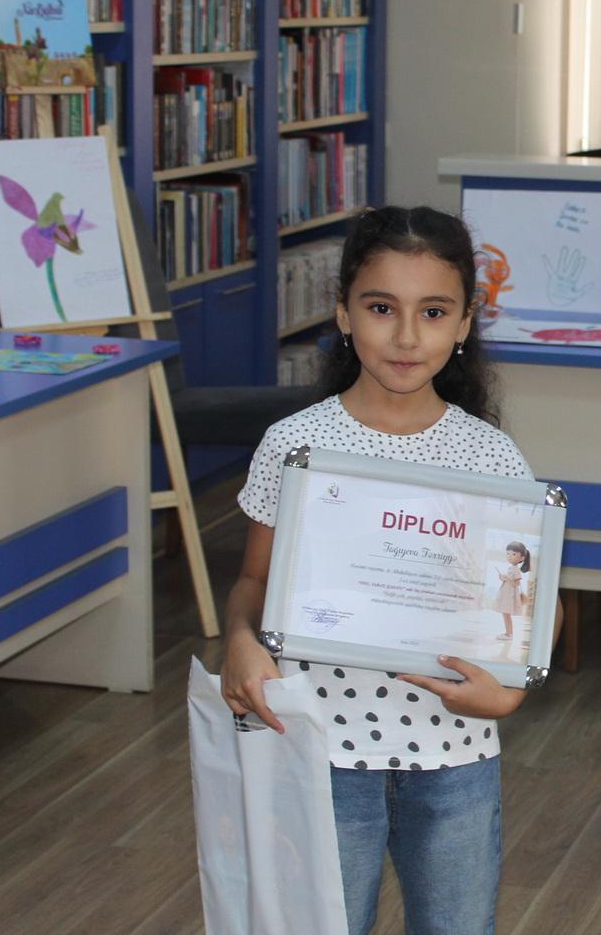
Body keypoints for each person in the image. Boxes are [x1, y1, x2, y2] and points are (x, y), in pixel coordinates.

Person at [222, 205, 551, 935]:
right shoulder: (295, 446)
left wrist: (511, 693)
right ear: (343, 313)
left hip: (454, 749)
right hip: (319, 744)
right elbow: (254, 581)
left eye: (433, 312)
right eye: (381, 308)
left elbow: (533, 605)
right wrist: (239, 642)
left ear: (464, 323)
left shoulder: (490, 457)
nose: (406, 336)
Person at [492, 541, 530, 641]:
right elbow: (509, 581)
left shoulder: (516, 570)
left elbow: (516, 584)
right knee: (505, 614)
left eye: (513, 554)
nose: (509, 556)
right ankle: (508, 633)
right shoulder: (511, 568)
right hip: (507, 595)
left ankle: (509, 634)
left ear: (521, 558)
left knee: (506, 615)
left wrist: (506, 579)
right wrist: (502, 578)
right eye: (508, 554)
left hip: (510, 596)